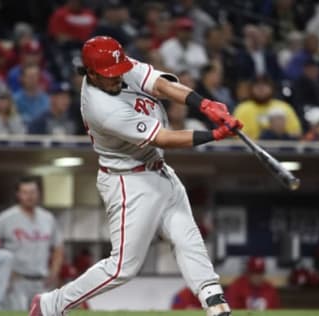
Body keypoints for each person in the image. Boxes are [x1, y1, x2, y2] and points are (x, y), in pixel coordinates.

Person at [29, 35, 241, 316]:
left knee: (187, 237)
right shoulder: (101, 107)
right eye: (109, 75)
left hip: (158, 170)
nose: (117, 78)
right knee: (122, 268)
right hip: (129, 180)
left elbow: (162, 85)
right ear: (90, 73)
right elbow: (163, 138)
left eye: (118, 70)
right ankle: (50, 304)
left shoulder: (117, 65)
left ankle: (215, 304)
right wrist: (213, 134)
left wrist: (203, 105)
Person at [0, 176, 64, 311]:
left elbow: (58, 247)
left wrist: (54, 272)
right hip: (17, 281)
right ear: (18, 195)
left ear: (39, 193)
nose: (29, 196)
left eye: (33, 192)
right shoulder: (5, 218)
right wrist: (4, 273)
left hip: (42, 281)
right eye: (25, 192)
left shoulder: (48, 218)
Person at [233, 76, 301, 140]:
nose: (261, 89)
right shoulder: (242, 108)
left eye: (265, 86)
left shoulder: (284, 107)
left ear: (272, 88)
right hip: (249, 150)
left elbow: (296, 133)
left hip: (282, 150)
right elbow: (236, 135)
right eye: (257, 86)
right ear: (251, 89)